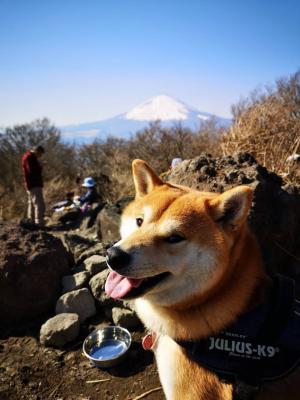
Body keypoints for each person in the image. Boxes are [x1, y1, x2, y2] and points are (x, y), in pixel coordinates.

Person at [21, 145, 46, 226]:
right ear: (36, 151)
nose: (40, 156)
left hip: (30, 184)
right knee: (39, 203)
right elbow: (32, 171)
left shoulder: (28, 157)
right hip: (34, 184)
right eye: (40, 154)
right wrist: (40, 166)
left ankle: (31, 222)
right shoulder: (30, 158)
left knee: (31, 204)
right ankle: (39, 223)